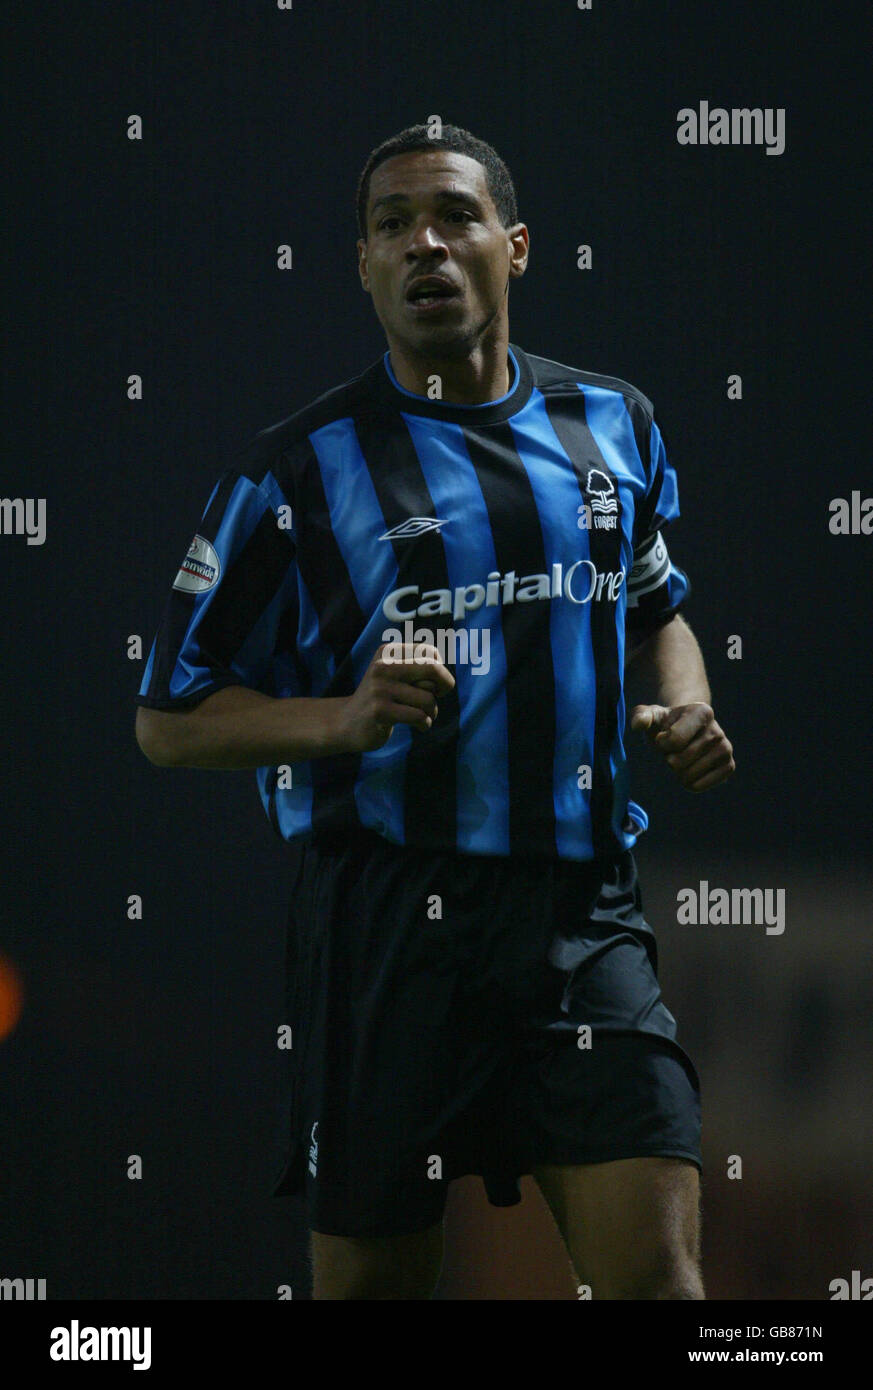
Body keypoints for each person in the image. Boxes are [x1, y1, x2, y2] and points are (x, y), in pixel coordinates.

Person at [135, 122, 735, 1300]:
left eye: (455, 216)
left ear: (515, 248)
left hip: (582, 916)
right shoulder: (295, 473)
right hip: (385, 920)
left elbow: (659, 605)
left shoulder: (615, 424)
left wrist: (687, 701)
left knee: (662, 1284)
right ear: (361, 267)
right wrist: (343, 721)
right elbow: (167, 717)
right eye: (392, 224)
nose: (426, 242)